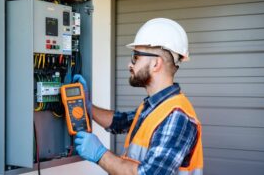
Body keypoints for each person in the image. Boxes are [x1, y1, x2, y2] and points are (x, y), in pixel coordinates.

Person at [73, 18, 203, 175]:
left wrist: (101, 154)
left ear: (156, 64)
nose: (130, 64)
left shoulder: (176, 116)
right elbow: (119, 121)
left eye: (136, 57)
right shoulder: (154, 106)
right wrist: (87, 106)